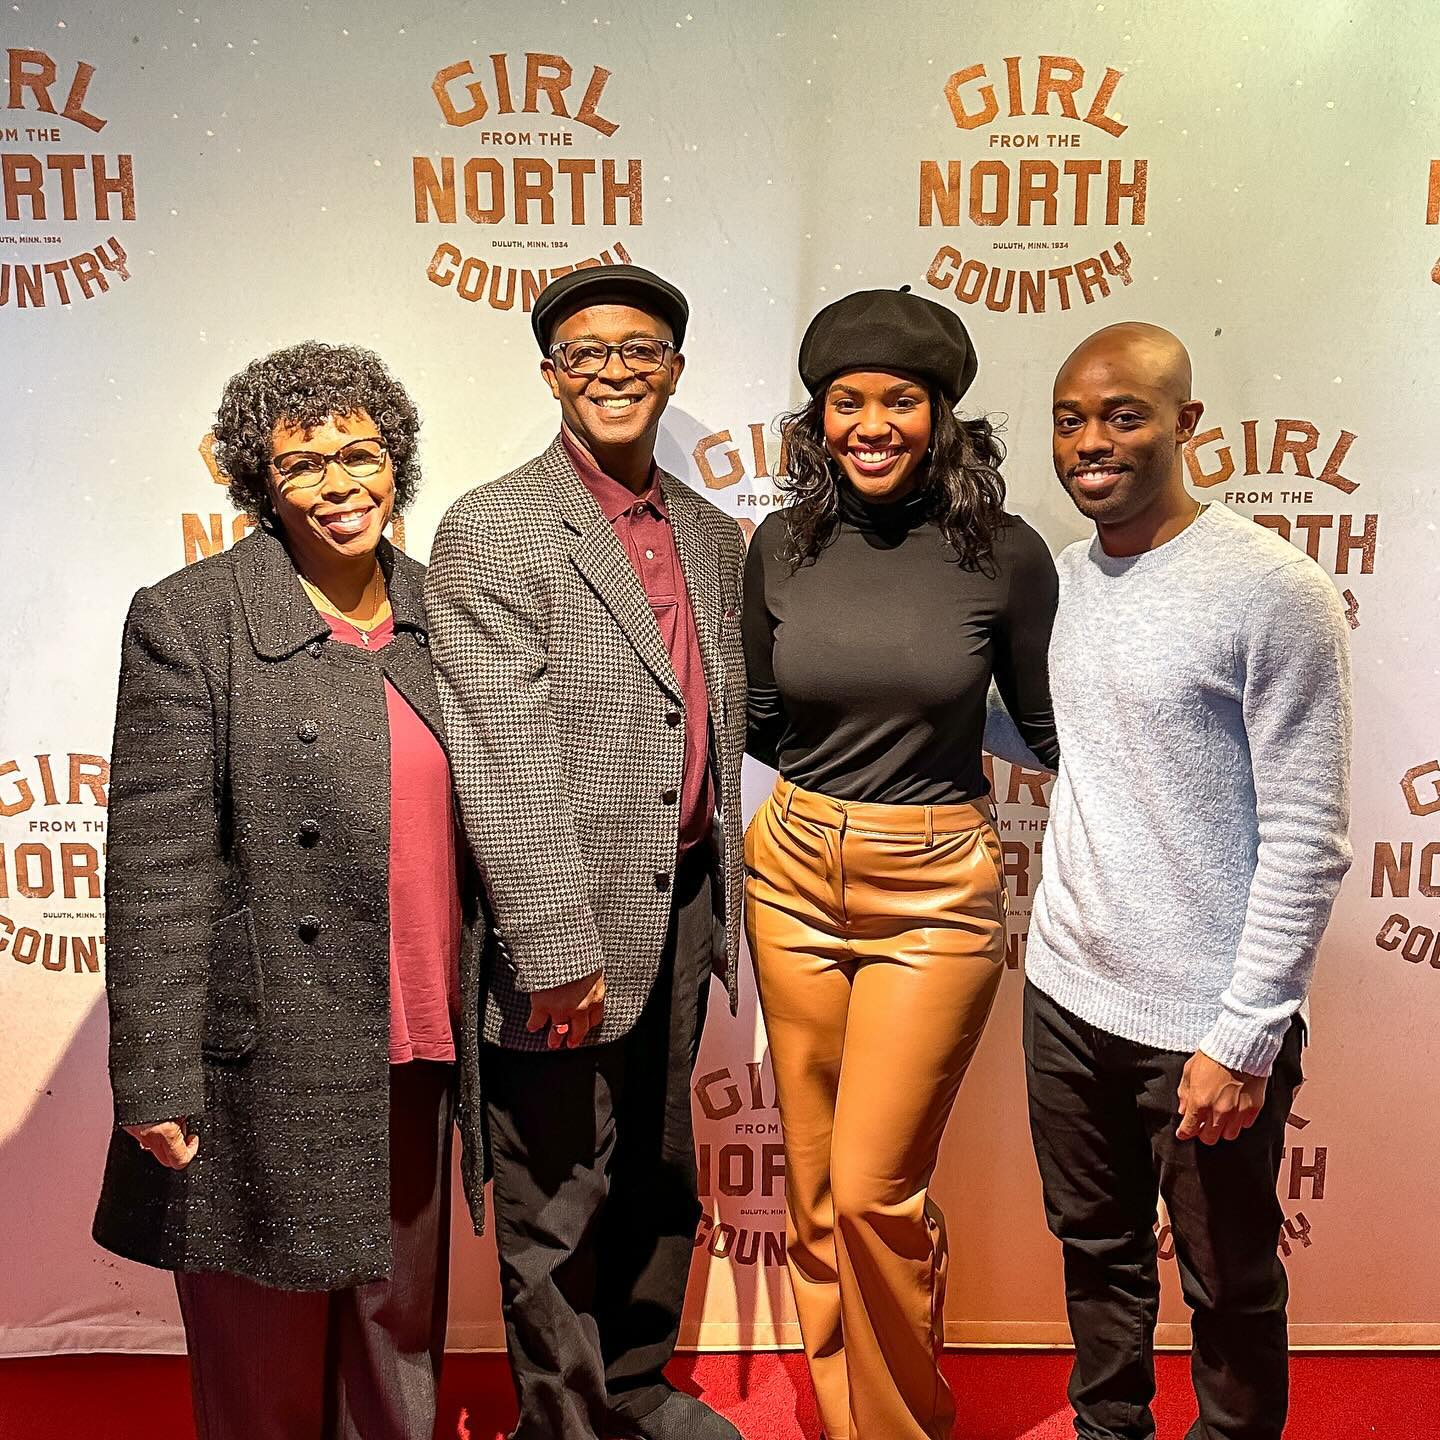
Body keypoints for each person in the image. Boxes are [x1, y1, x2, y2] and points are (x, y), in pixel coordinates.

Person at [92, 342, 486, 1440]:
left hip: (415, 1034)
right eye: (303, 464)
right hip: (260, 1052)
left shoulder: (444, 612)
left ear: (396, 461)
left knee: (392, 1341)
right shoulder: (191, 619)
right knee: (259, 1367)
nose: (340, 483)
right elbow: (160, 863)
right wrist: (154, 1073)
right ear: (260, 484)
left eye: (361, 453)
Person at [425, 265, 747, 1440]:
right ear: (551, 373)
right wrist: (554, 942)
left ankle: (639, 1382)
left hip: (692, 894)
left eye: (639, 348)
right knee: (556, 1190)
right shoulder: (496, 525)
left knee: (662, 1169)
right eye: (586, 352)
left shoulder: (714, 535)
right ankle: (562, 1422)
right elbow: (499, 751)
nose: (613, 369)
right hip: (558, 918)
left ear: (674, 367)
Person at [1019, 322, 1352, 1440]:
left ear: (1186, 425)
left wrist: (1245, 1034)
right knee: (1096, 1259)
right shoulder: (1057, 586)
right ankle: (1108, 1430)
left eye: (1122, 415)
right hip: (1065, 995)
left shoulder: (1272, 588)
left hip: (1204, 1023)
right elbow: (1050, 738)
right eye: (1071, 419)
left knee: (1231, 1288)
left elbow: (1309, 833)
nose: (1091, 442)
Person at [743, 287, 1061, 1440]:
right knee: (817, 1193)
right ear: (818, 416)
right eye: (846, 401)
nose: (870, 424)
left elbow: (1043, 726)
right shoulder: (782, 544)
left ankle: (899, 1427)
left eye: (899, 401)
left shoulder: (1006, 554)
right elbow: (762, 714)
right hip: (789, 866)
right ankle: (847, 1419)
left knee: (877, 1192)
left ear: (942, 414)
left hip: (932, 882)